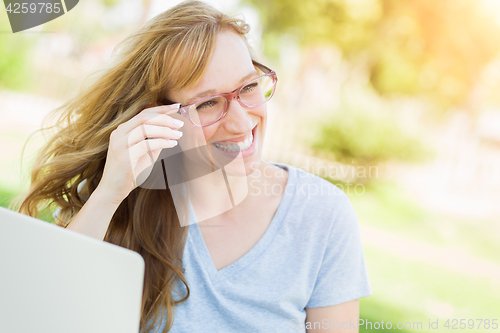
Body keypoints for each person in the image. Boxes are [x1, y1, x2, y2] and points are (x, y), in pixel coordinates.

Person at [18, 1, 372, 332]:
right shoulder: (119, 199)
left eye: (248, 87)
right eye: (207, 104)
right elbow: (44, 317)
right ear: (157, 116)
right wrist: (110, 193)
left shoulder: (321, 215)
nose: (239, 122)